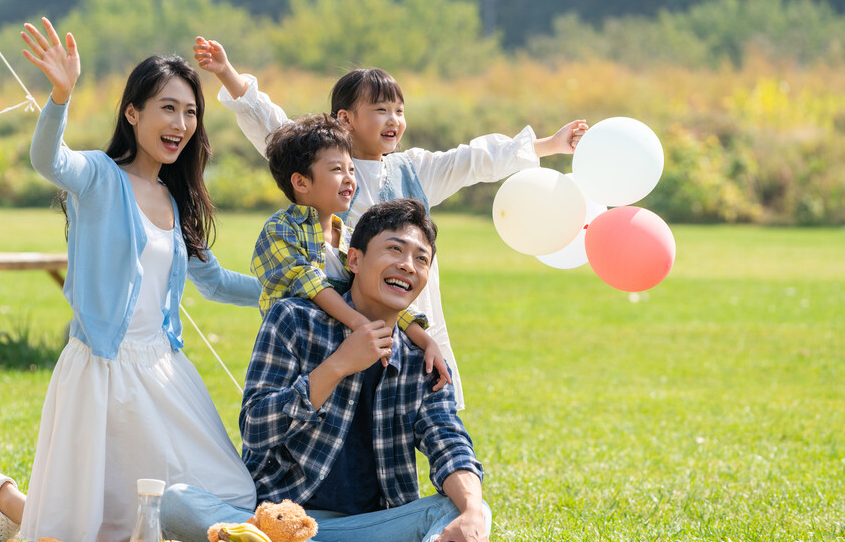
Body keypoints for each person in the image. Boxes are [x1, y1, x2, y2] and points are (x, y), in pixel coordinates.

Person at [0, 18, 259, 542]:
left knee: (230, 498)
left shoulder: (175, 201)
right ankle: (5, 500)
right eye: (168, 107)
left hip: (164, 370)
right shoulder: (99, 178)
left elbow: (216, 282)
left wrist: (293, 289)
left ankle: (9, 501)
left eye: (191, 111)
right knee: (90, 537)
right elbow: (48, 160)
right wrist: (60, 96)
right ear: (133, 114)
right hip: (102, 370)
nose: (181, 122)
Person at [193, 36, 587, 410]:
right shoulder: (323, 166)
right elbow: (274, 128)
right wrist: (227, 72)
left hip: (409, 308)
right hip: (346, 320)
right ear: (345, 119)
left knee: (421, 397)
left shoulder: (415, 168)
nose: (393, 119)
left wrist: (549, 145)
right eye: (380, 110)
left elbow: (473, 159)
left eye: (399, 110)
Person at [161, 199, 489, 542]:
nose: (408, 265)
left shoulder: (422, 358)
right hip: (280, 522)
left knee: (463, 505)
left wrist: (472, 512)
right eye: (394, 249)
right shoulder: (293, 320)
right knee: (176, 504)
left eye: (420, 259)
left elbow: (449, 440)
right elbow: (256, 426)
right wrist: (337, 367)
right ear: (354, 258)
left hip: (371, 527)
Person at [253, 112, 449, 387]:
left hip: (343, 348)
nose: (348, 179)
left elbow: (374, 293)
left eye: (351, 170)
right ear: (301, 182)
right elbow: (310, 284)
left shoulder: (346, 238)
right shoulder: (281, 229)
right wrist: (361, 325)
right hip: (298, 351)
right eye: (336, 170)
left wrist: (426, 340)